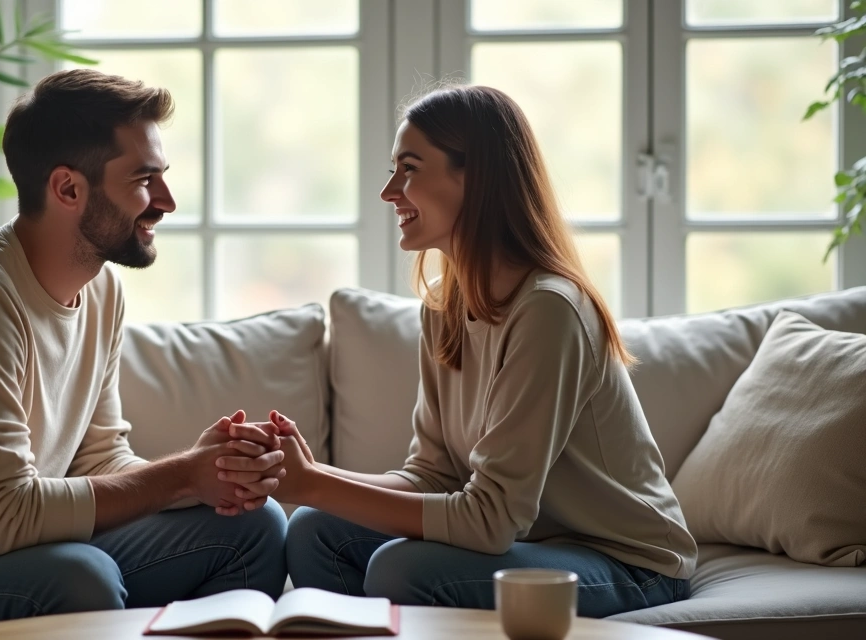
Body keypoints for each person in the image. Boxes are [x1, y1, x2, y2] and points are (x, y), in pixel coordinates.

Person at [0, 69, 288, 630]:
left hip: (16, 551)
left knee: (256, 526)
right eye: (143, 180)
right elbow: (5, 516)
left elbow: (100, 461)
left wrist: (214, 473)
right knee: (81, 577)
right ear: (67, 189)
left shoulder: (102, 288)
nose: (167, 202)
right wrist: (181, 476)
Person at [227, 84, 697, 618]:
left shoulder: (549, 310)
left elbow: (491, 520)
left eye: (409, 168)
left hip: (629, 562)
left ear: (474, 178)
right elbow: (434, 476)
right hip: (534, 546)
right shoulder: (444, 309)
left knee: (401, 569)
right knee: (315, 531)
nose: (389, 192)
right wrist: (315, 479)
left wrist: (313, 483)